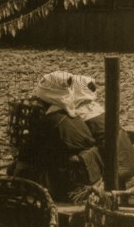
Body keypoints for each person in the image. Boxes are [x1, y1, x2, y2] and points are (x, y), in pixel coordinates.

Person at [12, 71, 103, 202]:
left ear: (46, 100)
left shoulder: (48, 122)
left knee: (21, 170)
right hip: (88, 176)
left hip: (69, 184)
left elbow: (26, 156)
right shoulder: (75, 118)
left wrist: (15, 173)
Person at [72, 74, 134, 189]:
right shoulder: (95, 107)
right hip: (131, 161)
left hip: (115, 166)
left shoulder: (81, 113)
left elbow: (84, 139)